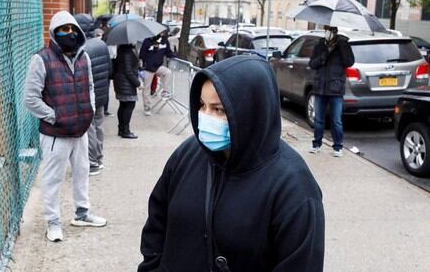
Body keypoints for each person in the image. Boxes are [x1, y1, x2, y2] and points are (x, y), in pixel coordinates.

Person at [139, 56, 325, 271]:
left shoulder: (294, 188)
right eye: (202, 105)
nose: (204, 117)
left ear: (252, 110)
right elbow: (157, 222)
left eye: (218, 109)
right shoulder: (188, 154)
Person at [24, 11, 107, 242]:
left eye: (72, 29)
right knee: (53, 179)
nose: (69, 34)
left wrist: (88, 111)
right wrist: (54, 116)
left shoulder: (84, 58)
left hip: (80, 130)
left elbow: (90, 87)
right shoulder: (41, 59)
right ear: (54, 33)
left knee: (82, 172)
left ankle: (82, 213)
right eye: (63, 30)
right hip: (55, 134)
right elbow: (31, 99)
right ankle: (53, 222)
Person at [308, 25, 355, 157]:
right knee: (318, 119)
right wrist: (324, 55)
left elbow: (349, 62)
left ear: (335, 32)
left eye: (330, 31)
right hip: (320, 88)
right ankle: (316, 144)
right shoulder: (320, 45)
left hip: (335, 88)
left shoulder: (342, 45)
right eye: (326, 30)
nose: (327, 33)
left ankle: (338, 146)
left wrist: (341, 46)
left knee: (336, 120)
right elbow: (312, 64)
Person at [82, 29, 112, 176]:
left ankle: (92, 162)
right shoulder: (101, 44)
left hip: (89, 95)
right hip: (102, 93)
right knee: (98, 126)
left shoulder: (83, 49)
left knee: (90, 128)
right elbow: (110, 69)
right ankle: (99, 159)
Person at [139, 31, 175, 116]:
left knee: (167, 72)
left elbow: (168, 52)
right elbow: (141, 55)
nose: (163, 34)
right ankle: (147, 108)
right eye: (161, 33)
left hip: (158, 66)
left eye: (164, 33)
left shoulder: (164, 41)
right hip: (148, 68)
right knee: (147, 89)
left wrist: (174, 55)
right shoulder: (147, 41)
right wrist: (142, 65)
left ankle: (164, 91)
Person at [113, 44, 141, 139]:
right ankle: (125, 130)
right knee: (129, 105)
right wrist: (138, 83)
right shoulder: (127, 52)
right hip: (126, 83)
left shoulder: (122, 49)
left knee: (123, 105)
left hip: (122, 82)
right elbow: (128, 71)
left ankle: (121, 129)